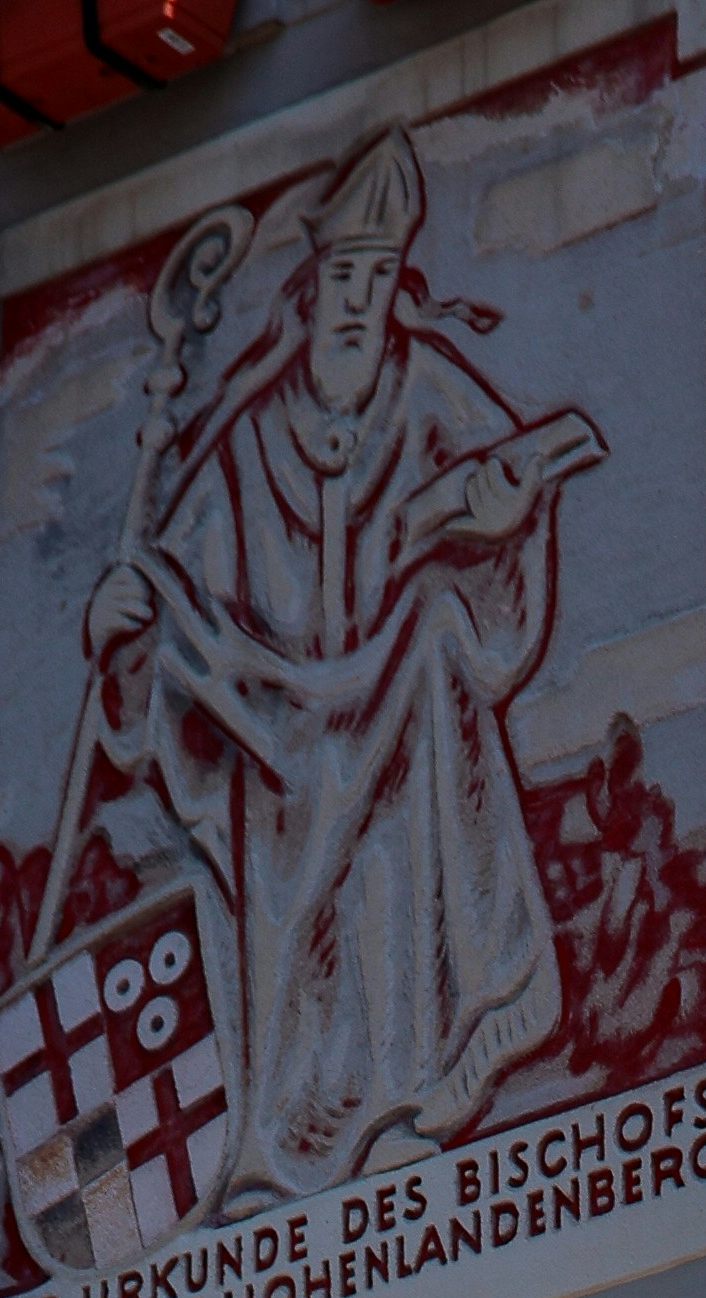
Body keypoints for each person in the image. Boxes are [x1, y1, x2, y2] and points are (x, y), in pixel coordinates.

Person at [58, 129, 604, 1200]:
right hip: (279, 743)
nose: (355, 302)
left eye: (375, 278)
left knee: (438, 640)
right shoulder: (251, 438)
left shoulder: (432, 394)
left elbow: (500, 557)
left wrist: (497, 522)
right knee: (295, 865)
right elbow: (168, 607)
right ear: (307, 292)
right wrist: (114, 629)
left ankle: (417, 1094)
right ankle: (282, 1144)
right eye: (339, 278)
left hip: (399, 720)